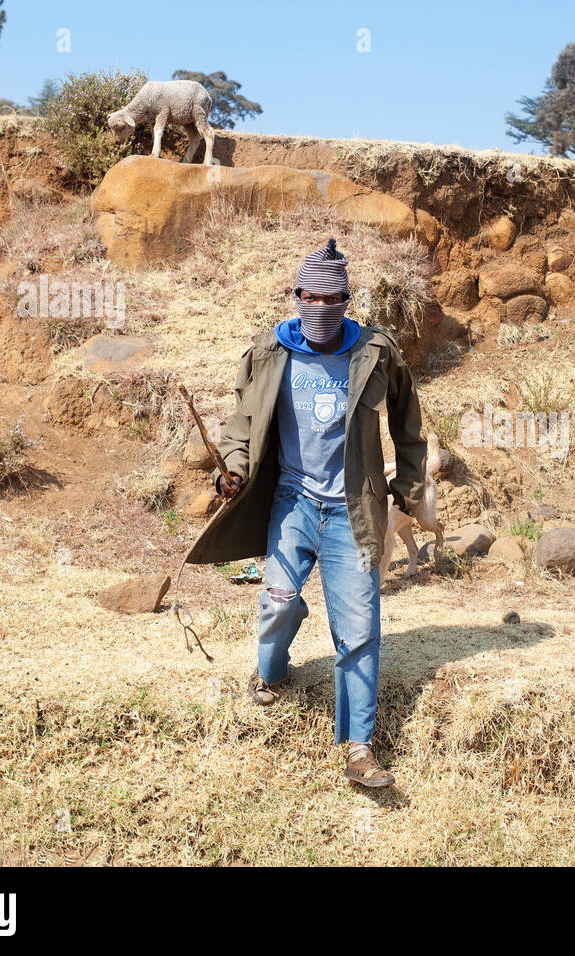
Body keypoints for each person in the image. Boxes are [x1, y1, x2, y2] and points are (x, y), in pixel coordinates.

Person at [185, 238, 427, 788]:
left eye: (333, 298)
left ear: (347, 297)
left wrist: (408, 485)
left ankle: (359, 746)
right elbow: (240, 424)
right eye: (311, 297)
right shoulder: (269, 353)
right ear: (297, 296)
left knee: (360, 628)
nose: (321, 307)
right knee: (277, 600)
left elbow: (407, 424)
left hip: (353, 508)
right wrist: (234, 467)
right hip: (291, 500)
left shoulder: (375, 352)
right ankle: (271, 673)